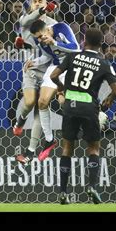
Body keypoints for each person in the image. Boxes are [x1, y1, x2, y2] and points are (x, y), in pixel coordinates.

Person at [50, 28, 116, 204]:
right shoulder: (103, 63)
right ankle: (92, 187)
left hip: (70, 106)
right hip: (90, 108)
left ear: (84, 41)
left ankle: (63, 193)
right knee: (94, 148)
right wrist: (110, 99)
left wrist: (61, 88)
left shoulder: (72, 57)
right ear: (100, 44)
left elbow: (53, 75)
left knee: (67, 149)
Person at [27, 18, 80, 162]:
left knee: (67, 102)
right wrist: (35, 62)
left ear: (47, 29)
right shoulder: (40, 41)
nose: (39, 40)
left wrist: (55, 42)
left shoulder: (61, 28)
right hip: (57, 67)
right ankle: (49, 140)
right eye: (36, 38)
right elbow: (48, 56)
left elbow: (75, 48)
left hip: (73, 65)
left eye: (40, 36)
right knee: (42, 102)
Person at [13, 0, 57, 166]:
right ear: (31, 5)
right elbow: (27, 25)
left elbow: (52, 50)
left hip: (48, 71)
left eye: (41, 1)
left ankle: (30, 152)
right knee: (30, 102)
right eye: (35, 1)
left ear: (47, 4)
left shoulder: (52, 25)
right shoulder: (25, 20)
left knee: (41, 108)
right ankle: (20, 120)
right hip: (30, 69)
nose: (37, 3)